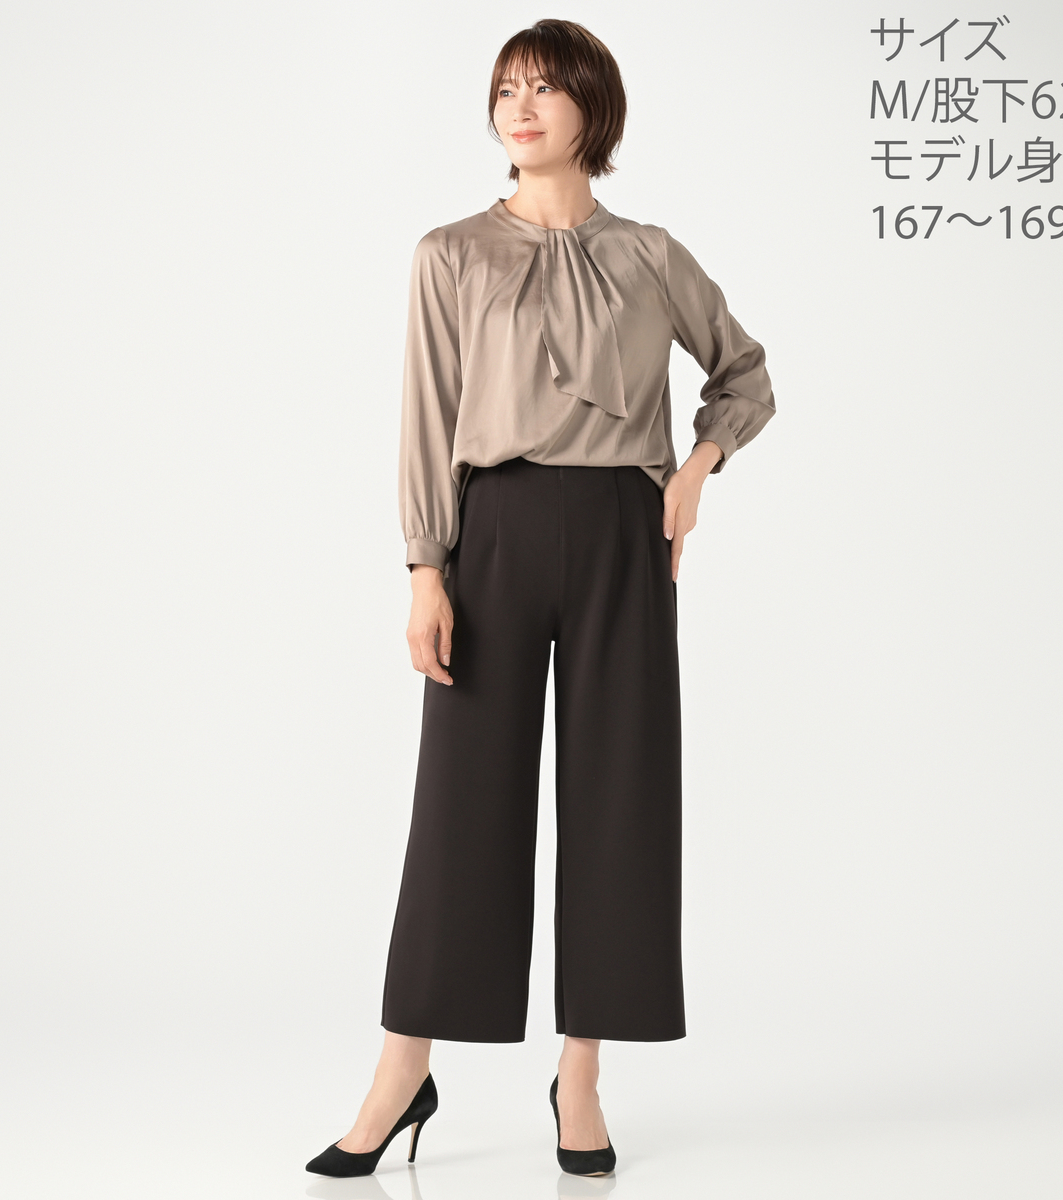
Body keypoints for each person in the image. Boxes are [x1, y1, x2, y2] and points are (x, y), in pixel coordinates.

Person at [306, 17, 775, 1179]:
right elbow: (427, 417)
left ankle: (581, 1076)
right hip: (495, 534)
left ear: (590, 111)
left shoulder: (650, 255)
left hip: (624, 533)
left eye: (546, 89)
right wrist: (426, 568)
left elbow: (745, 373)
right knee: (461, 806)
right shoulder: (451, 254)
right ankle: (401, 1072)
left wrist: (696, 472)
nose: (520, 108)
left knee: (620, 802)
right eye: (506, 89)